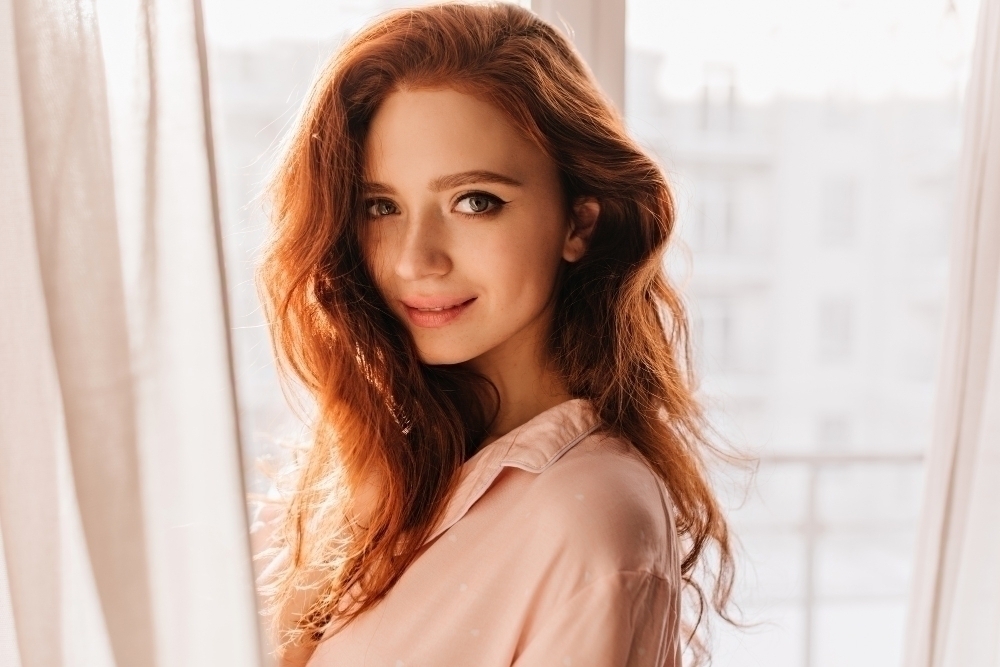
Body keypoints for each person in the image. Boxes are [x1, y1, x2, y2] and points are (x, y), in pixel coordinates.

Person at [256, 3, 735, 665]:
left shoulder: (588, 520)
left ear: (579, 223)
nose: (415, 259)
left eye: (474, 200)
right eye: (380, 206)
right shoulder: (385, 465)